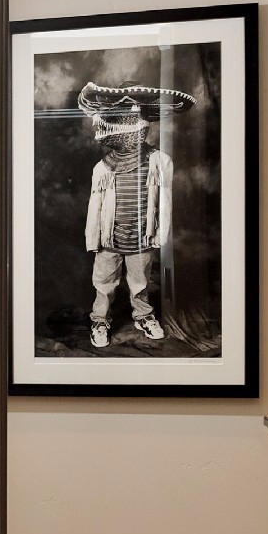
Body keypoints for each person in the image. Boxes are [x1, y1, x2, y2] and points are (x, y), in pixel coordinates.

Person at [78, 84, 178, 349]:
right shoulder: (102, 168)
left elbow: (165, 202)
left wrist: (160, 234)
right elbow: (95, 207)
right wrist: (93, 239)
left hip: (141, 236)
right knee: (104, 283)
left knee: (141, 281)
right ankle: (100, 320)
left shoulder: (159, 161)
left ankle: (143, 316)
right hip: (109, 238)